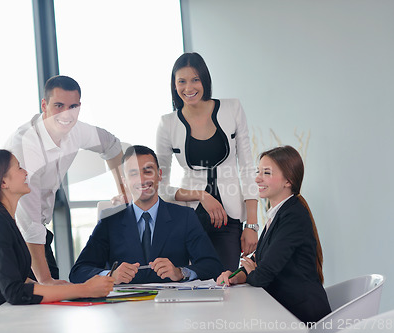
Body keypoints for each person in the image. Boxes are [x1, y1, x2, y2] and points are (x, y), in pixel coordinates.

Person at [0, 150, 114, 326]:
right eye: (19, 168)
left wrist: (60, 288)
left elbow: (20, 280)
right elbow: (15, 291)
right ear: (3, 182)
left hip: (6, 320)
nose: (26, 172)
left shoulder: (4, 219)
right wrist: (85, 289)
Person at [5, 75, 126, 285]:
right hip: (9, 236)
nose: (65, 114)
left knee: (50, 303)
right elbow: (28, 223)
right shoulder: (27, 145)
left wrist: (125, 192)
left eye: (73, 107)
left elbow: (112, 145)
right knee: (33, 302)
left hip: (38, 233)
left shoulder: (77, 131)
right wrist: (45, 281)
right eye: (58, 106)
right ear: (44, 105)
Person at [156, 52, 258, 272]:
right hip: (189, 218)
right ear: (174, 86)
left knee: (226, 283)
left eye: (195, 79)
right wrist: (202, 195)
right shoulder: (167, 124)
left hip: (229, 219)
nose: (188, 87)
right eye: (181, 81)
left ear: (205, 80)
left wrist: (251, 224)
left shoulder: (232, 109)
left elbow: (247, 167)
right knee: (192, 284)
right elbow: (161, 187)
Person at [69, 145, 223, 284]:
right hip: (124, 308)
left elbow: (213, 266)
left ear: (159, 175)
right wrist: (111, 275)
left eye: (147, 171)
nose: (142, 180)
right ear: (125, 181)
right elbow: (78, 271)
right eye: (133, 173)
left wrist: (180, 272)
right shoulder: (109, 220)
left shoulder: (185, 217)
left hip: (172, 306)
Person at [216, 146, 331, 324]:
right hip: (284, 312)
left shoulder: (293, 216)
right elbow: (257, 261)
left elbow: (262, 275)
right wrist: (235, 277)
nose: (257, 178)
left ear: (288, 181)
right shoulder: (279, 214)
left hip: (302, 317)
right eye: (258, 171)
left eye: (266, 173)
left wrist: (253, 271)